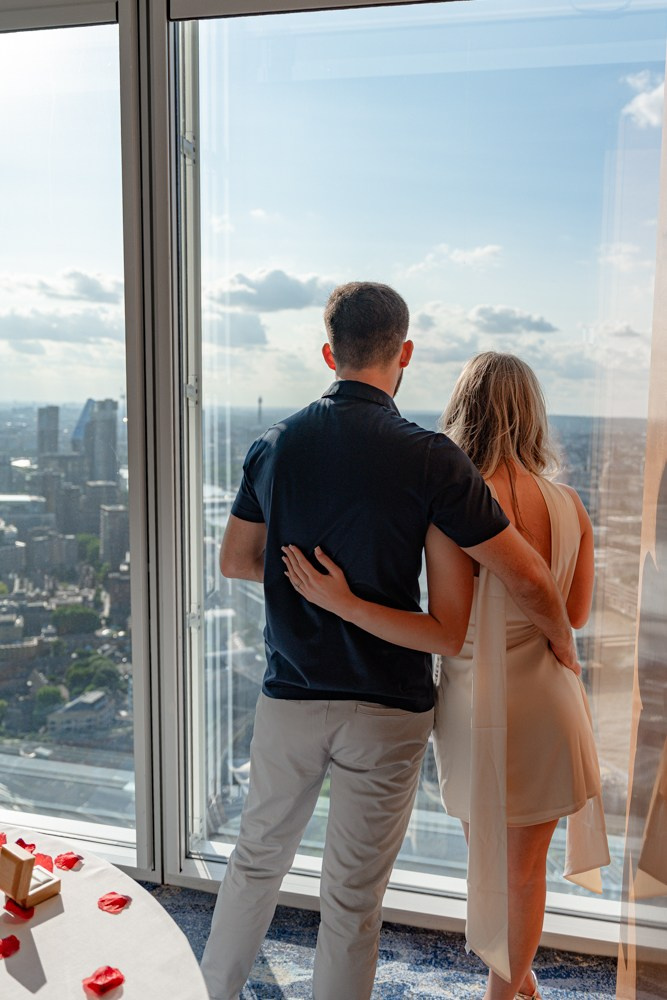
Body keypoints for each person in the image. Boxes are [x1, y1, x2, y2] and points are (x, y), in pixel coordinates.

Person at [200, 286, 580, 1000]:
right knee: (352, 895)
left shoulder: (274, 444)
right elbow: (527, 576)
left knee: (255, 862)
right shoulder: (430, 458)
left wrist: (305, 583)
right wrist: (564, 643)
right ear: (404, 353)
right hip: (386, 705)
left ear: (328, 354)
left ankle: (212, 991)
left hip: (291, 693)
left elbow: (236, 560)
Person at [283, 351, 610, 1000]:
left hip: (474, 708)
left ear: (463, 410)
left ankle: (503, 990)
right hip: (550, 702)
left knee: (489, 865)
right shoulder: (570, 505)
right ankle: (515, 982)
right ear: (534, 416)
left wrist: (346, 603)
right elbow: (572, 615)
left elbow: (445, 627)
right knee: (525, 873)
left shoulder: (453, 507)